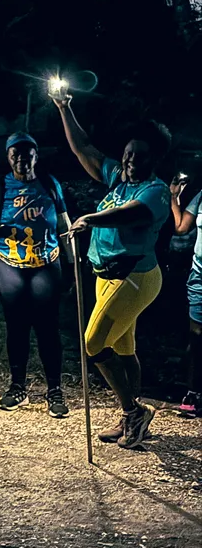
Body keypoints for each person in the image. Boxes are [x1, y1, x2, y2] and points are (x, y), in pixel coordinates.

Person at [53, 89, 170, 449]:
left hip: (135, 278)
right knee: (122, 349)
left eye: (141, 155)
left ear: (154, 159)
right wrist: (65, 107)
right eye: (129, 152)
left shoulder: (156, 191)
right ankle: (133, 417)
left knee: (92, 343)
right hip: (106, 277)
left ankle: (133, 410)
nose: (132, 158)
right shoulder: (118, 177)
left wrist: (91, 217)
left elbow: (128, 215)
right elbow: (84, 149)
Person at [0, 134, 70, 417]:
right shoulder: (0, 184)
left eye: (26, 153)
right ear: (8, 157)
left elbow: (64, 223)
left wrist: (72, 264)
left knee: (47, 327)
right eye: (14, 154)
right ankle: (18, 386)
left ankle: (54, 390)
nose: (21, 159)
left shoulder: (49, 183)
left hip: (46, 263)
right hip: (10, 264)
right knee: (16, 326)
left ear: (36, 155)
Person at [169, 173, 202, 418]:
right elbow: (181, 228)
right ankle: (193, 392)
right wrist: (174, 197)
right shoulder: (201, 198)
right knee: (196, 336)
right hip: (199, 276)